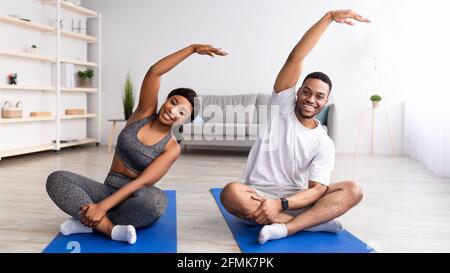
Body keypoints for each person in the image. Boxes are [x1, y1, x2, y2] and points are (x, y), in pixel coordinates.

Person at [46, 44, 227, 244]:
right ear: (166, 100)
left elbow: (141, 183)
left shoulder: (171, 148)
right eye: (173, 102)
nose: (173, 111)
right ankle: (108, 228)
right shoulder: (143, 113)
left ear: (184, 121)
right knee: (57, 179)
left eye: (182, 113)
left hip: (133, 197)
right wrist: (192, 49)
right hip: (107, 190)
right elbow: (154, 72)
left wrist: (102, 207)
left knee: (156, 203)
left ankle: (86, 220)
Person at [221, 9, 370, 244]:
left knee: (353, 190)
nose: (311, 99)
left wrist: (280, 204)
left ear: (326, 102)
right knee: (230, 193)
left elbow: (318, 190)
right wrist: (329, 17)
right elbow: (295, 58)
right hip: (258, 197)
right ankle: (308, 224)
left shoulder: (323, 142)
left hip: (295, 199)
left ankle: (285, 227)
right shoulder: (282, 107)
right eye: (307, 92)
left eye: (319, 96)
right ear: (298, 92)